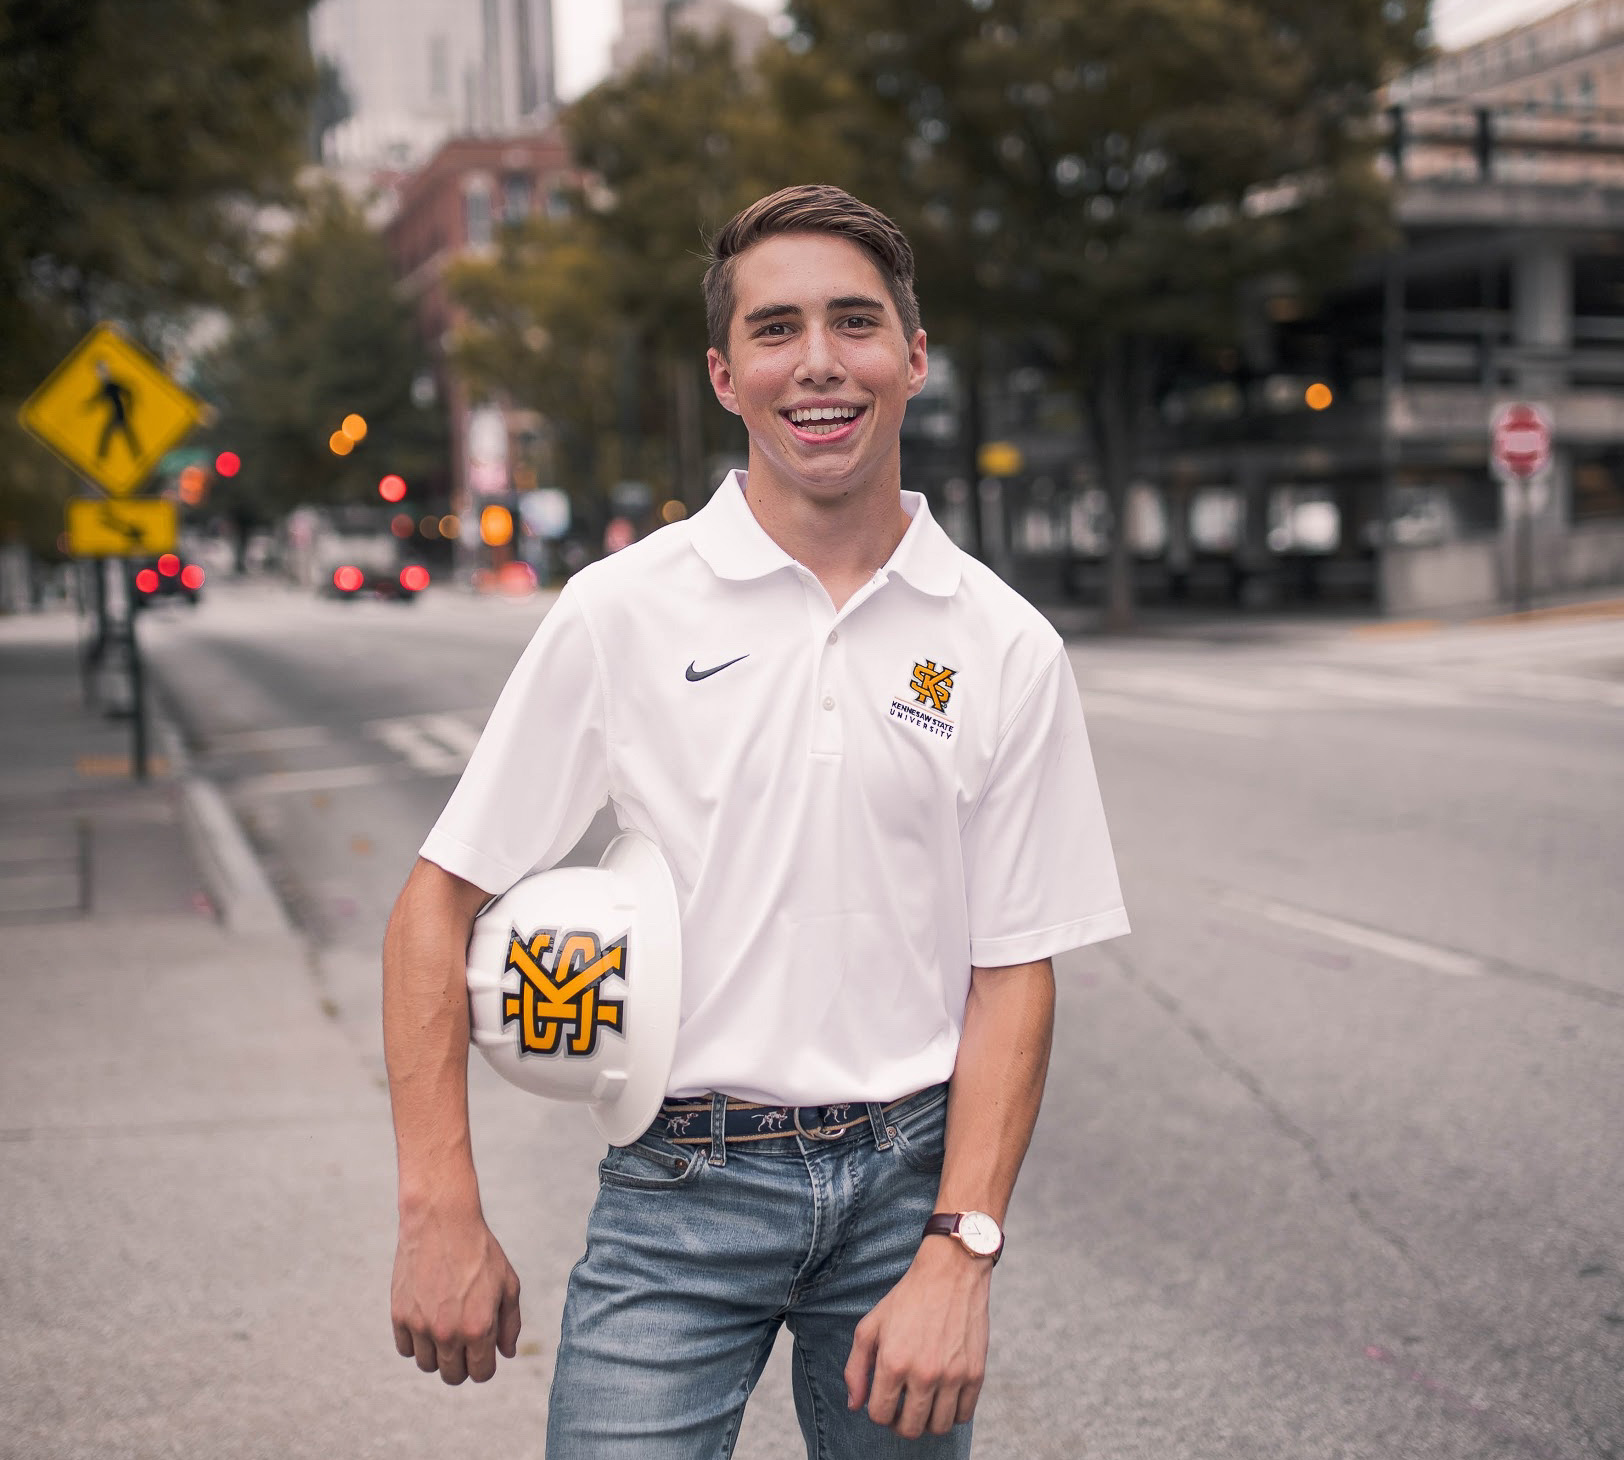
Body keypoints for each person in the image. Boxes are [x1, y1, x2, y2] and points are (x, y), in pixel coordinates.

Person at [383, 184, 1129, 1457]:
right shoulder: (623, 608)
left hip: (907, 1186)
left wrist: (962, 1249)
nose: (819, 361)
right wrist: (437, 1206)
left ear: (912, 357)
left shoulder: (1004, 644)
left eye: (855, 322)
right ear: (726, 376)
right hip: (678, 1187)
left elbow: (1013, 968)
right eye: (776, 329)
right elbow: (435, 903)